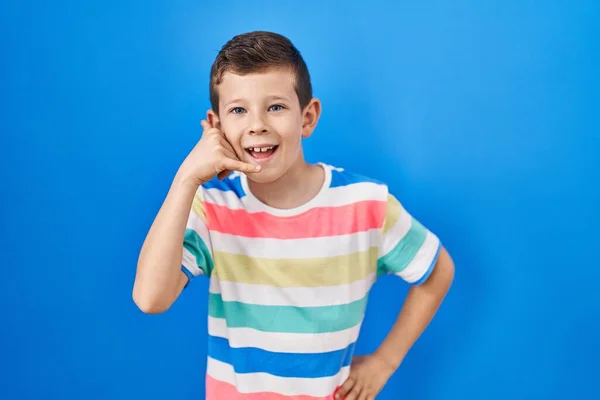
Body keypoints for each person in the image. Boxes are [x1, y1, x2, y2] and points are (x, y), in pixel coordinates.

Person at [133, 31, 455, 400]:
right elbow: (150, 298)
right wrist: (186, 178)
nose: (257, 125)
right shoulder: (213, 207)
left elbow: (437, 269)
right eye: (238, 110)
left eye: (275, 107)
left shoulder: (366, 204)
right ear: (216, 125)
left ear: (308, 117)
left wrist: (386, 360)